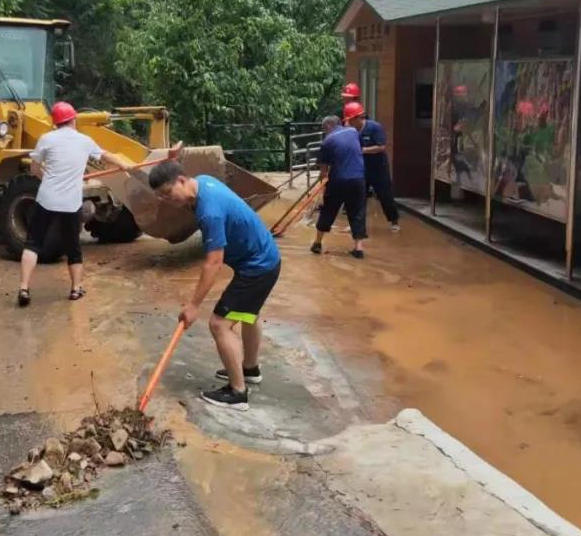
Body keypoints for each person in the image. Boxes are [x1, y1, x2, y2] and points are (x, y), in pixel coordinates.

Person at [149, 160, 281, 411]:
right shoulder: (203, 182)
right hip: (264, 258)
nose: (167, 200)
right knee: (249, 314)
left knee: (219, 324)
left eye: (167, 193)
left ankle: (238, 393)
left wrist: (193, 305)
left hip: (257, 267)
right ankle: (250, 369)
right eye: (161, 197)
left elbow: (214, 262)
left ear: (181, 180)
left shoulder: (209, 211)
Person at [18, 102, 131, 307]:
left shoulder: (46, 139)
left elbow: (34, 169)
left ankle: (24, 288)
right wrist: (125, 165)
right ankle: (75, 289)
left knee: (32, 243)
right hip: (70, 203)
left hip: (46, 199)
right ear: (73, 120)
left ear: (55, 122)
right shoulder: (84, 141)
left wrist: (48, 178)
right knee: (73, 247)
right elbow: (105, 156)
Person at [312, 107, 367, 258]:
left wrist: (321, 181)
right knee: (357, 212)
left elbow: (323, 172)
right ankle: (358, 248)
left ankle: (317, 243)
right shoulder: (354, 132)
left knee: (328, 209)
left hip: (338, 180)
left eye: (324, 129)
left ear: (329, 126)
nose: (325, 132)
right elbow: (359, 150)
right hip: (358, 179)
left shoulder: (327, 141)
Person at [357, 111, 401, 232]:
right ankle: (357, 225)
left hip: (378, 167)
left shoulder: (375, 127)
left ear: (359, 118)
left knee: (385, 194)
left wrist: (362, 150)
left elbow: (381, 146)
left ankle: (394, 220)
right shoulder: (351, 129)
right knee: (359, 196)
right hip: (361, 167)